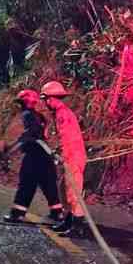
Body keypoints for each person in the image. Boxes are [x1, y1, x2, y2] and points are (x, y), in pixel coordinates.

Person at [0, 89, 63, 224]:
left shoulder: (27, 114)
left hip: (34, 156)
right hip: (45, 156)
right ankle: (57, 213)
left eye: (21, 102)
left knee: (26, 184)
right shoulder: (39, 116)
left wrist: (11, 149)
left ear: (25, 102)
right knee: (48, 184)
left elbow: (31, 133)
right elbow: (39, 134)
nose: (19, 105)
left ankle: (17, 214)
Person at [39, 79, 89, 237]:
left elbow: (68, 140)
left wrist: (62, 156)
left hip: (72, 157)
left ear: (51, 98)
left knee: (73, 192)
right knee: (64, 190)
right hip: (68, 157)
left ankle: (77, 226)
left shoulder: (63, 115)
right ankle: (68, 221)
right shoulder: (60, 113)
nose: (45, 103)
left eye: (46, 99)